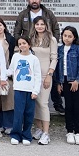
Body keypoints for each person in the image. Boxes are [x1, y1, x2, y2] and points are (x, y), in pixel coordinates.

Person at [13, 0, 63, 114]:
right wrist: (22, 44)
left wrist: (52, 43)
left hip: (46, 51)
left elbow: (56, 29)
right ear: (28, 0)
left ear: (40, 0)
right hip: (29, 50)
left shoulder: (48, 13)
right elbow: (16, 32)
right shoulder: (23, 14)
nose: (34, 1)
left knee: (50, 79)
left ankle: (57, 104)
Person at [54, 26, 79, 145]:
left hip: (77, 82)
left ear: (74, 37)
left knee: (78, 107)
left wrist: (77, 81)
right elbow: (58, 67)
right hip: (64, 81)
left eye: (70, 36)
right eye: (65, 36)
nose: (67, 38)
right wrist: (59, 83)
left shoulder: (78, 49)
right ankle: (69, 131)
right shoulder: (60, 49)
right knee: (68, 107)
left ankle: (77, 132)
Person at [7, 37, 42, 146]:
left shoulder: (34, 59)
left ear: (29, 44)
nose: (22, 45)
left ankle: (26, 135)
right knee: (18, 113)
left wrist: (35, 91)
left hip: (30, 90)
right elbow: (11, 70)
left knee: (29, 113)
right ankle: (16, 134)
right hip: (18, 89)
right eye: (20, 44)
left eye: (24, 43)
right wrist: (1, 72)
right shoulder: (16, 56)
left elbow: (37, 75)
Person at [29, 16, 58, 145]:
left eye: (42, 24)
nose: (39, 26)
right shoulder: (31, 39)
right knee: (35, 103)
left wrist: (49, 75)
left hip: (45, 75)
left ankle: (46, 133)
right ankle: (39, 128)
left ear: (46, 25)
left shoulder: (52, 40)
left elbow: (54, 58)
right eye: (37, 24)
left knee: (43, 103)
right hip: (32, 76)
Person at [0, 17, 17, 135]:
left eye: (0, 25)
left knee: (8, 100)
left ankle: (9, 124)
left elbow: (15, 56)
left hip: (8, 73)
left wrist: (8, 71)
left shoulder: (11, 40)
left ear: (4, 26)